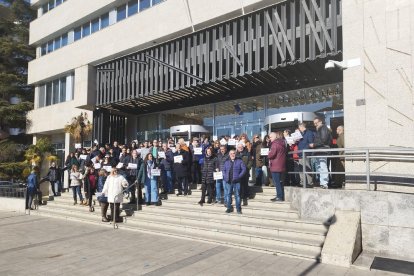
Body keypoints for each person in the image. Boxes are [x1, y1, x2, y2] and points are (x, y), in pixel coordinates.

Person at [310, 117, 332, 189]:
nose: (315, 124)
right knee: (320, 167)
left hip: (322, 150)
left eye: (316, 123)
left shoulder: (323, 128)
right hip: (319, 150)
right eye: (314, 123)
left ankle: (324, 184)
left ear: (320, 122)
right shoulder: (320, 129)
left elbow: (323, 140)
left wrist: (314, 144)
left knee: (322, 166)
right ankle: (323, 183)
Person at [222, 149, 246, 214]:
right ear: (229, 155)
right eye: (231, 153)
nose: (232, 155)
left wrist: (239, 176)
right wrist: (225, 176)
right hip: (228, 181)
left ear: (235, 154)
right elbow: (223, 170)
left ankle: (238, 209)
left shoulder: (239, 161)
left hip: (237, 181)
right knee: (228, 195)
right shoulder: (226, 162)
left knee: (237, 195)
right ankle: (229, 208)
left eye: (234, 153)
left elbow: (244, 169)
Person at [268, 131, 287, 202]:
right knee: (280, 182)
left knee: (277, 182)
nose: (270, 139)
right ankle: (280, 195)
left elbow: (271, 154)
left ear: (275, 136)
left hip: (275, 166)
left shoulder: (275, 144)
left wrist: (268, 153)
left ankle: (279, 196)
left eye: (271, 137)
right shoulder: (282, 143)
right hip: (281, 165)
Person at [296, 123, 314, 187]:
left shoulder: (309, 133)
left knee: (307, 167)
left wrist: (306, 149)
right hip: (300, 153)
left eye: (299, 127)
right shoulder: (300, 134)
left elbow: (311, 143)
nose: (299, 129)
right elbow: (298, 143)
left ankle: (310, 182)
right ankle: (302, 182)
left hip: (306, 153)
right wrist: (296, 140)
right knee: (301, 168)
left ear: (302, 126)